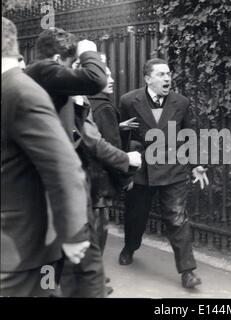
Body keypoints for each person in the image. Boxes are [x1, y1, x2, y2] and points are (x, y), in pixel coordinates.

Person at [25, 28, 141, 297]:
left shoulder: (35, 83)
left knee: (63, 261)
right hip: (61, 190)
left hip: (50, 189)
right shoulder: (47, 75)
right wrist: (87, 49)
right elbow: (91, 139)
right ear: (58, 59)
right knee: (73, 260)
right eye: (72, 65)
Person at [1, 17, 89, 297]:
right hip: (21, 250)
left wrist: (74, 234)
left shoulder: (20, 91)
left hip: (21, 251)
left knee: (48, 286)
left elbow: (63, 163)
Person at [119, 58, 209, 288]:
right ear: (148, 79)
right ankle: (130, 247)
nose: (167, 78)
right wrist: (124, 165)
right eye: (161, 74)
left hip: (173, 169)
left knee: (177, 217)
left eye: (169, 74)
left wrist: (196, 164)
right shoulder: (129, 101)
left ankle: (188, 271)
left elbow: (189, 135)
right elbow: (121, 138)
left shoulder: (181, 102)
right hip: (142, 170)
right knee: (136, 216)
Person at [87, 54, 131, 296]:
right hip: (100, 184)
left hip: (85, 181)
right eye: (107, 75)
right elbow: (112, 146)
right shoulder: (104, 107)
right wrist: (126, 178)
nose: (112, 79)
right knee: (99, 232)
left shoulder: (85, 103)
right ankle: (96, 282)